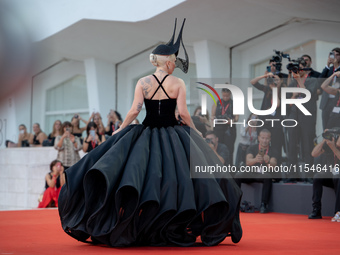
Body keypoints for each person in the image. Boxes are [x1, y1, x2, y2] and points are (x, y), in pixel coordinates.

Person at [58, 19, 242, 247]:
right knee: (179, 181)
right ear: (168, 62)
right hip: (175, 136)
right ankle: (173, 224)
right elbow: (184, 114)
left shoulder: (142, 82)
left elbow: (135, 109)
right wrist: (196, 132)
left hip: (144, 134)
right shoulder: (178, 83)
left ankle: (140, 225)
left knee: (142, 180)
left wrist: (121, 130)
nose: (175, 64)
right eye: (174, 61)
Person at [234, 129, 278, 213]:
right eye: (263, 138)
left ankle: (264, 205)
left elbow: (274, 164)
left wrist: (268, 161)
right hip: (251, 173)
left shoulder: (273, 150)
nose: (265, 140)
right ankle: (236, 203)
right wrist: (255, 159)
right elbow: (248, 162)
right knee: (238, 175)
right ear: (258, 138)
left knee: (267, 177)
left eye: (267, 138)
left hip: (262, 174)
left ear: (270, 139)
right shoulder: (252, 148)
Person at [308, 129, 340, 222]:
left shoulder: (333, 146)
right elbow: (314, 154)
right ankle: (316, 210)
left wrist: (333, 147)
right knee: (318, 176)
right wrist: (324, 140)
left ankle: (338, 211)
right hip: (331, 176)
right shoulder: (329, 144)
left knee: (337, 176)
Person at [212, 88, 239, 165]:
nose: (225, 97)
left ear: (230, 94)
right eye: (224, 95)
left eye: (227, 96)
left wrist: (231, 121)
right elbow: (212, 115)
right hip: (218, 128)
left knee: (229, 150)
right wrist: (213, 119)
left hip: (229, 129)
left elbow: (236, 118)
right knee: (218, 147)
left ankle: (230, 168)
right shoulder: (217, 102)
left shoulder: (234, 103)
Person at [319, 48, 340, 130]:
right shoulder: (330, 69)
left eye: (337, 55)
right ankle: (326, 142)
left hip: (337, 101)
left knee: (336, 127)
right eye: (332, 54)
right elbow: (319, 81)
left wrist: (337, 67)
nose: (334, 57)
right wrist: (327, 65)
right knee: (326, 128)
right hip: (326, 102)